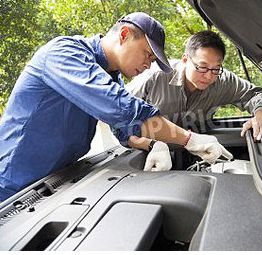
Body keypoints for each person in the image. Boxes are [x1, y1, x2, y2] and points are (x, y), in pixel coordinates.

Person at [0, 13, 232, 202]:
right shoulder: (64, 53)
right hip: (11, 182)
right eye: (147, 54)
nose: (147, 64)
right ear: (123, 35)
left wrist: (155, 144)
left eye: (152, 61)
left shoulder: (111, 78)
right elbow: (124, 110)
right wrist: (189, 139)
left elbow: (124, 131)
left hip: (55, 182)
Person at [127, 30, 262, 139]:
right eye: (202, 67)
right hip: (151, 151)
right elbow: (120, 109)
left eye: (216, 69)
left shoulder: (222, 80)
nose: (209, 76)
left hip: (196, 152)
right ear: (185, 60)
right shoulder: (154, 76)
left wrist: (261, 113)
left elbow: (257, 95)